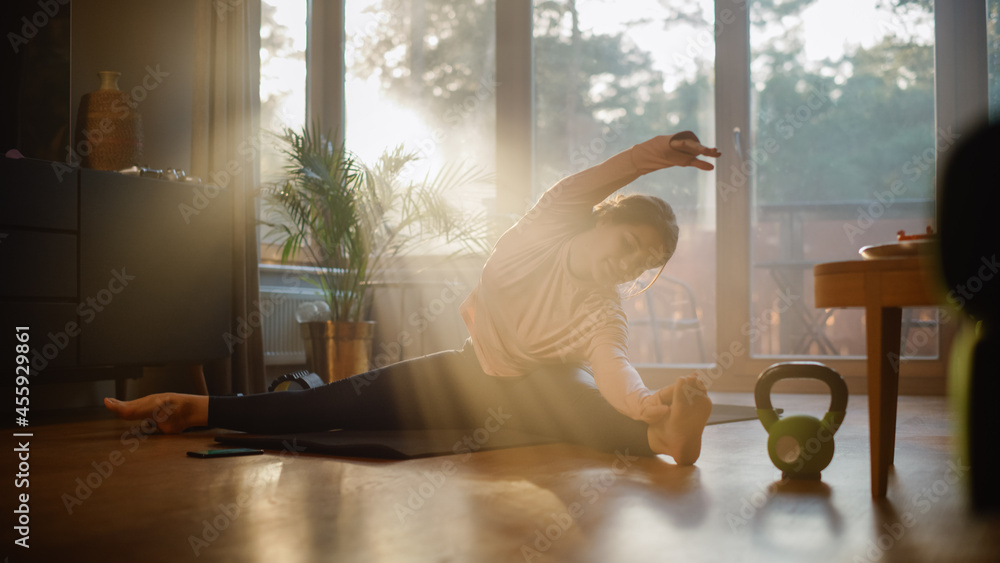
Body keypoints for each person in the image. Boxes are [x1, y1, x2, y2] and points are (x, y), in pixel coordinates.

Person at [106, 131, 721, 465]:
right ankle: (193, 408)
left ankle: (664, 439)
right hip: (468, 373)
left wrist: (646, 405)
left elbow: (616, 370)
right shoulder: (549, 226)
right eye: (631, 241)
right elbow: (585, 184)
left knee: (589, 410)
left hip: (539, 390)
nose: (632, 260)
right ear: (601, 221)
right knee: (334, 405)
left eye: (645, 261)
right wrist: (652, 157)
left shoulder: (602, 313)